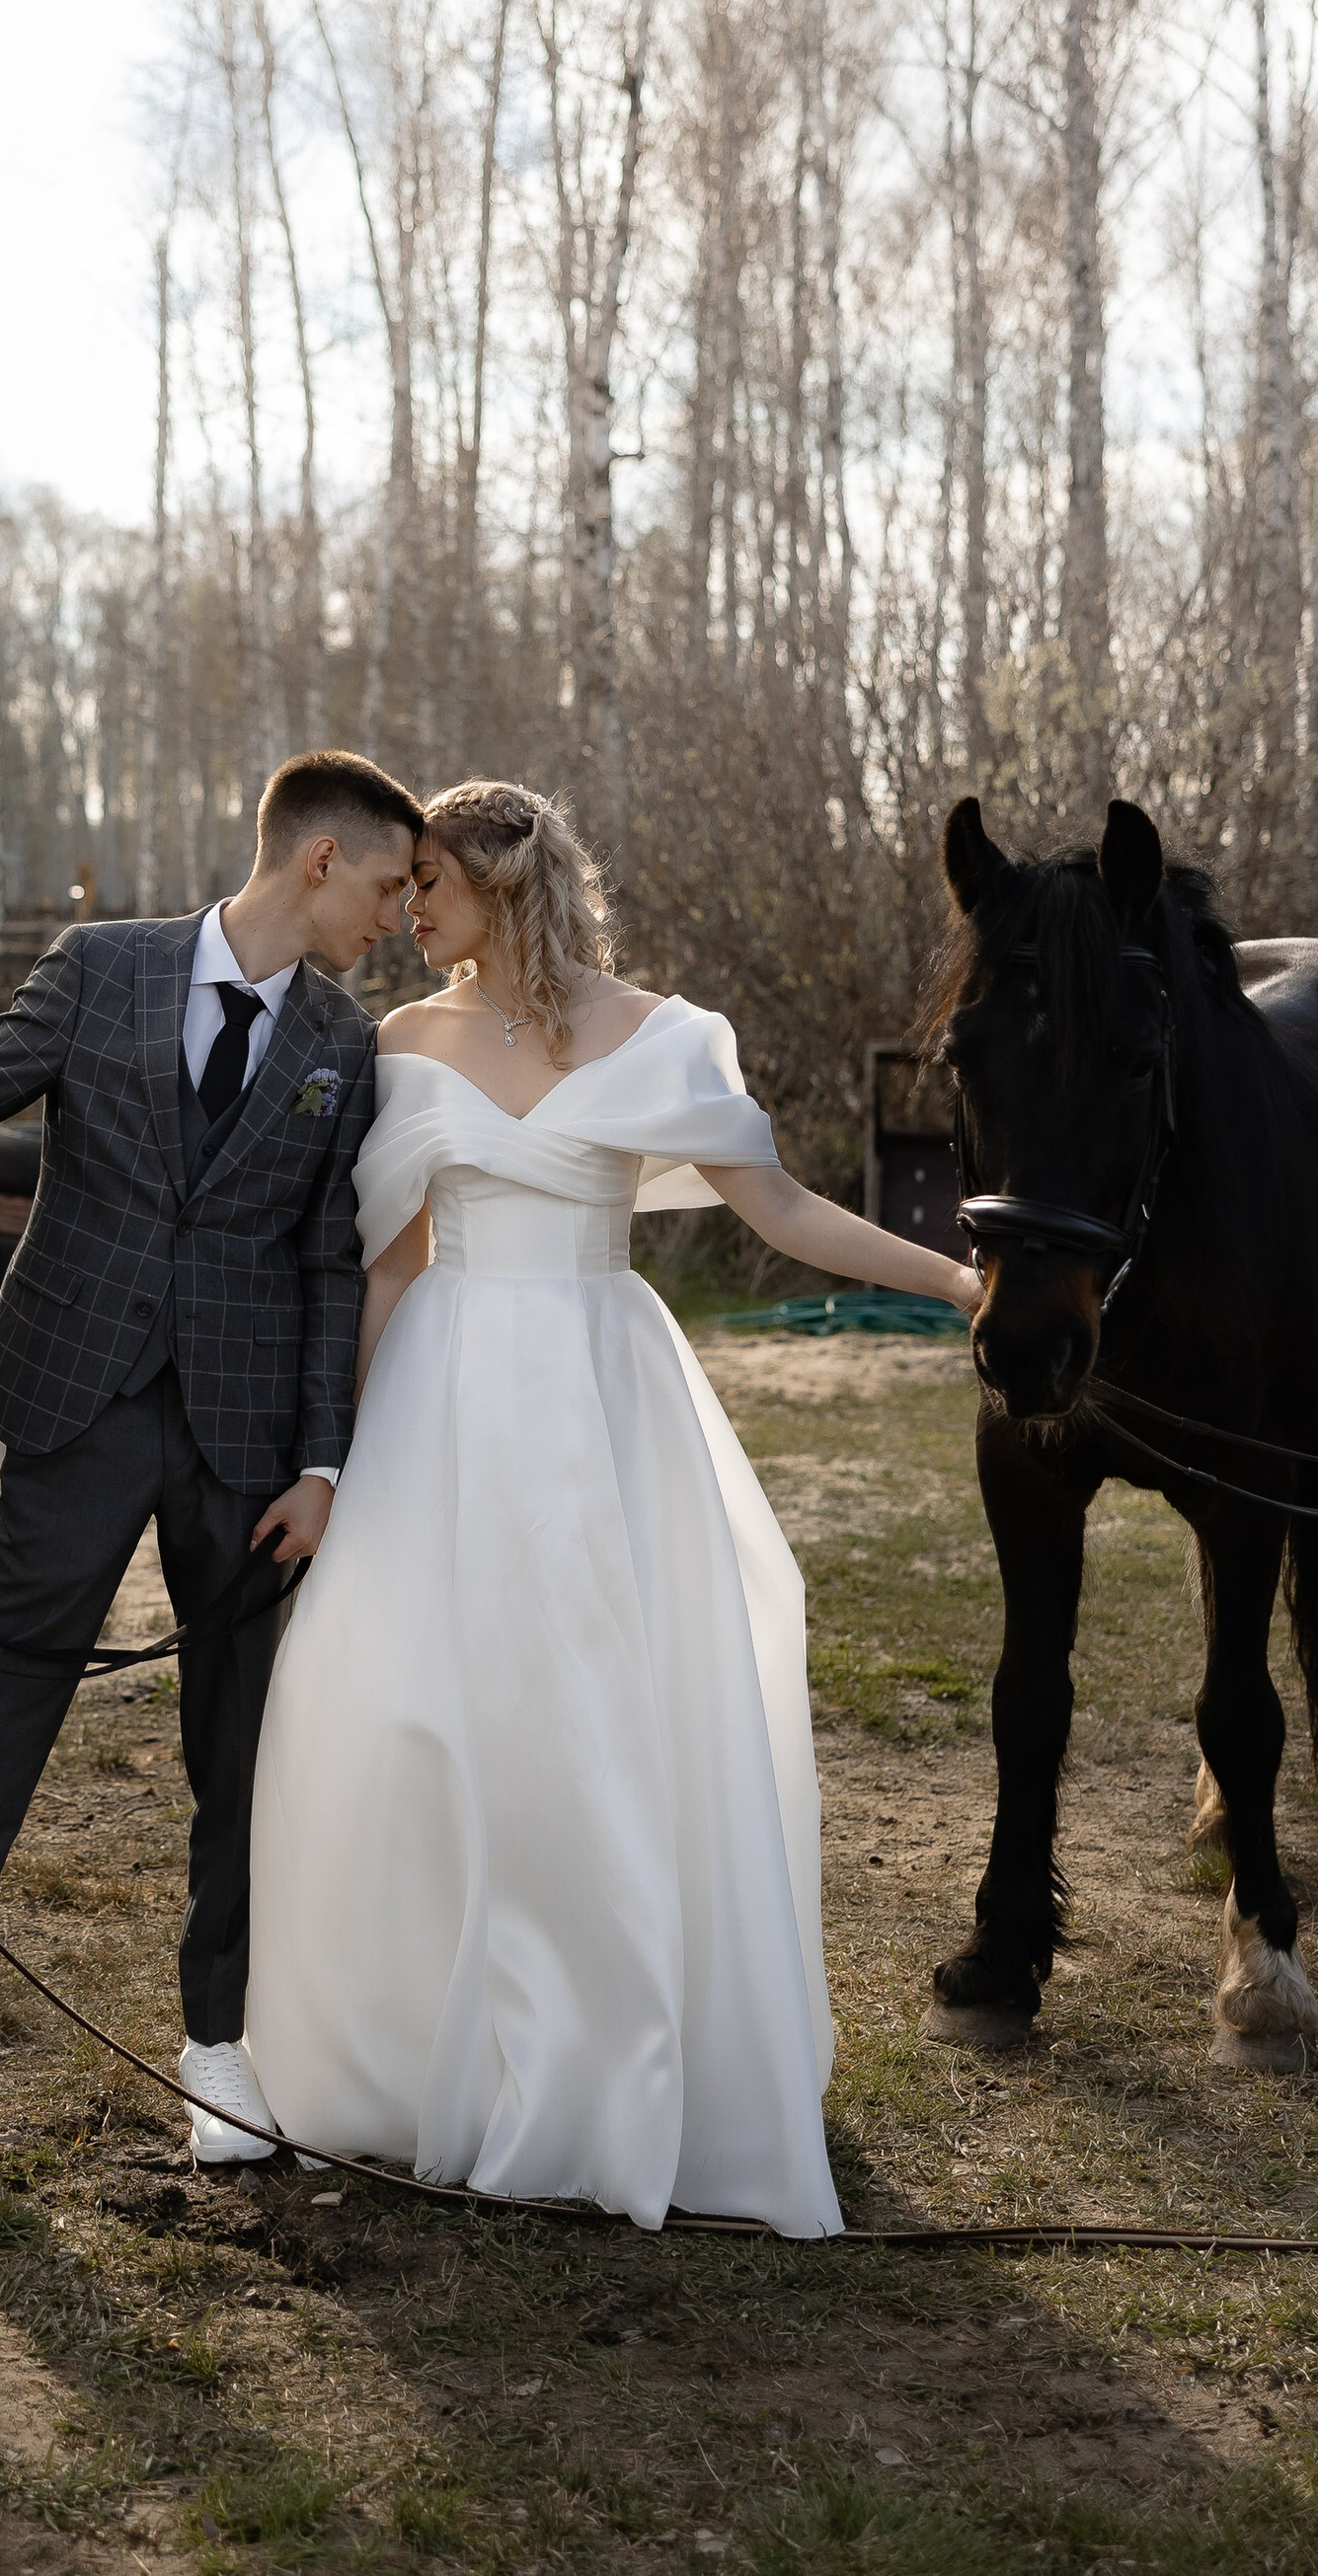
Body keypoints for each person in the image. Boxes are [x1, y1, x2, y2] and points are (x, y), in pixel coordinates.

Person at [243, 780, 982, 2235]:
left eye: (432, 889)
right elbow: (388, 1267)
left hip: (596, 1391)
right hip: (444, 1395)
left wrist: (958, 1277)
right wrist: (336, 1462)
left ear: (502, 885)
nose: (408, 914)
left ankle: (612, 2067)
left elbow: (781, 1210)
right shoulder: (406, 1041)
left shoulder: (664, 1035)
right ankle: (408, 2047)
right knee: (407, 1706)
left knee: (596, 1720)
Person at [0, 749, 424, 2175]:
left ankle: (218, 2054)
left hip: (247, 1443)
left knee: (235, 1751)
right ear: (318, 861)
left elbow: (332, 1265)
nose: (393, 917)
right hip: (76, 1406)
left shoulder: (345, 1040)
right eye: (387, 886)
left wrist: (323, 1463)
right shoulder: (102, 967)